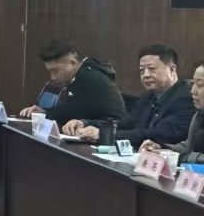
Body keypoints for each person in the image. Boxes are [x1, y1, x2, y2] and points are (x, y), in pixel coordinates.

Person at [65, 44, 195, 147]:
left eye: (152, 69)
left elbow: (159, 134)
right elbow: (125, 123)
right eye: (142, 70)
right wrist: (85, 123)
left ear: (172, 69)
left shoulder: (186, 98)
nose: (146, 75)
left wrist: (104, 134)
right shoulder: (148, 97)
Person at [23, 38, 125, 126]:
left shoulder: (88, 77)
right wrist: (43, 112)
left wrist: (45, 114)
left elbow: (70, 113)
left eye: (55, 71)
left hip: (107, 132)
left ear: (72, 63)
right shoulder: (83, 74)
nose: (52, 77)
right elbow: (68, 109)